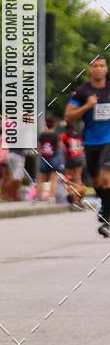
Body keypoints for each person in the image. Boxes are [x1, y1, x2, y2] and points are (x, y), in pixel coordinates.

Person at [65, 55, 110, 236]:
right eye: (95, 66)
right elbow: (69, 116)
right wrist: (87, 107)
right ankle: (106, 206)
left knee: (107, 178)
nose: (99, 69)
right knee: (96, 181)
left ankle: (106, 221)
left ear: (106, 69)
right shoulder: (83, 92)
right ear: (90, 69)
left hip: (109, 140)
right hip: (91, 141)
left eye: (102, 65)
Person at [35, 116, 64, 202]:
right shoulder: (56, 135)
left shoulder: (42, 135)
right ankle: (51, 198)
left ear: (46, 124)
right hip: (54, 158)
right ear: (54, 125)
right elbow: (60, 146)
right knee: (53, 179)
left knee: (41, 179)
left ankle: (37, 198)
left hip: (44, 158)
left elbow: (39, 147)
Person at [60, 122, 86, 207]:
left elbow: (59, 142)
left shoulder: (65, 136)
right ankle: (78, 200)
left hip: (71, 159)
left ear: (67, 129)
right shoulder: (77, 136)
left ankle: (72, 199)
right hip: (80, 158)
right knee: (78, 179)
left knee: (67, 179)